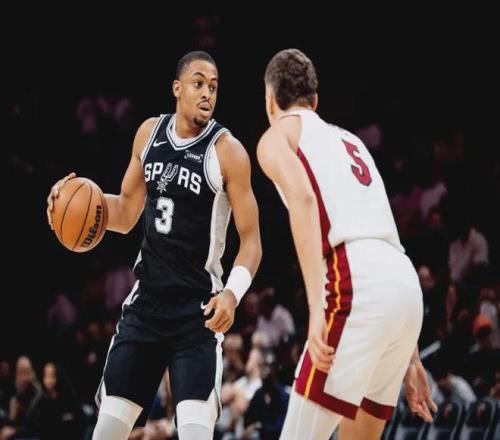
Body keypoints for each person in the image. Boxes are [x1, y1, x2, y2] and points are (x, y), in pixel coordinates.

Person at [47, 50, 262, 440]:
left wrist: (232, 295)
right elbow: (124, 212)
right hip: (146, 307)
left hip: (197, 313)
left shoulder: (228, 152)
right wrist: (69, 203)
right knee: (106, 432)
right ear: (177, 88)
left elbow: (252, 242)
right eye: (198, 84)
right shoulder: (149, 134)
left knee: (195, 433)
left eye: (214, 87)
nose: (207, 94)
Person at [256, 48, 436, 439]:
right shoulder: (351, 141)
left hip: (355, 282)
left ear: (270, 101)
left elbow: (304, 201)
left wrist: (317, 309)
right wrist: (409, 353)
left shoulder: (276, 136)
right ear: (315, 101)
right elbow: (384, 234)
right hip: (404, 287)